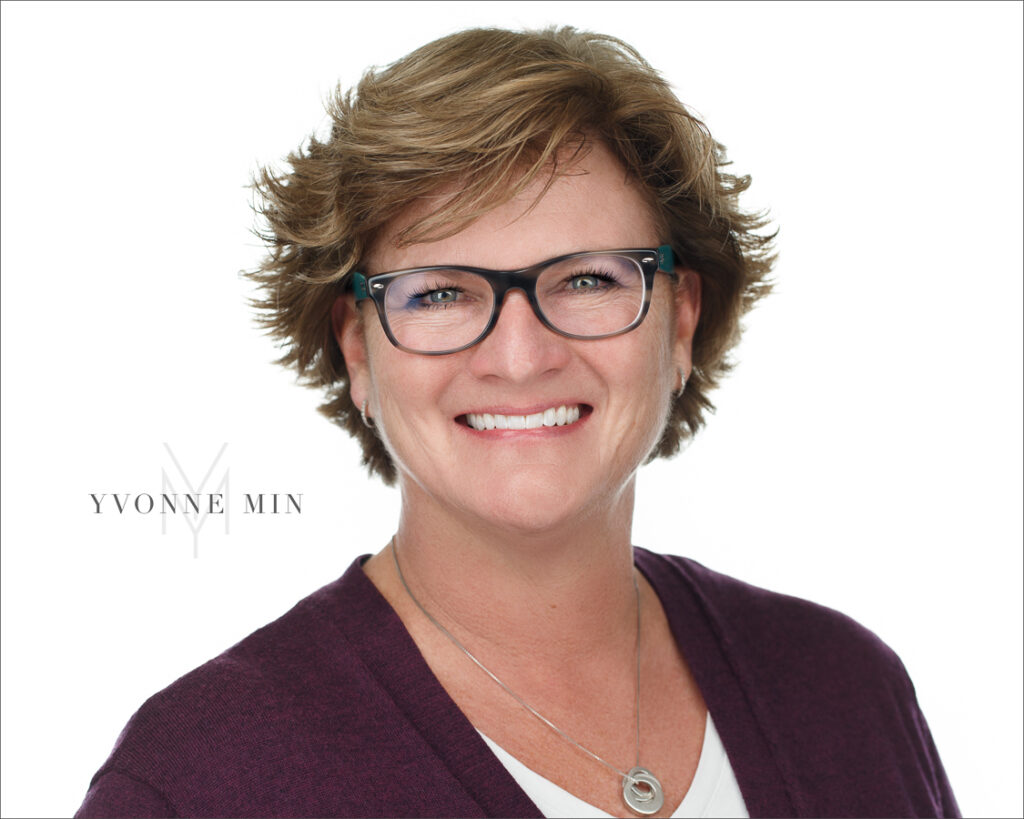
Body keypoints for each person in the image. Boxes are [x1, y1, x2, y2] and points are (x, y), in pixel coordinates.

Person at [76, 26, 958, 818]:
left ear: (680, 320)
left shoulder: (847, 691)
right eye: (443, 293)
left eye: (586, 279)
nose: (520, 356)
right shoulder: (198, 779)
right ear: (356, 348)